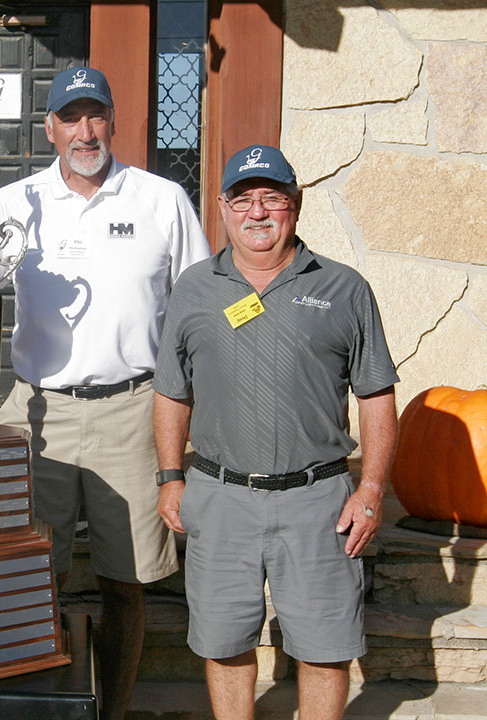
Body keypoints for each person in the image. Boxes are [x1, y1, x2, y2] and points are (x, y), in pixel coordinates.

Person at [0, 65, 210, 718]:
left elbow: (199, 310)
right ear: (50, 128)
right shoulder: (15, 203)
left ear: (113, 122)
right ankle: (39, 706)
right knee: (34, 576)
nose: (84, 130)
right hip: (39, 416)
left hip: (135, 410)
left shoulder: (161, 200)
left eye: (96, 115)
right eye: (71, 117)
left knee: (125, 584)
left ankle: (113, 711)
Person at [153, 144, 398, 719]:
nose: (257, 212)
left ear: (297, 205)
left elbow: (377, 397)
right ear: (221, 208)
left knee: (324, 649)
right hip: (220, 494)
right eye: (243, 199)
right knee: (225, 642)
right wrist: (169, 477)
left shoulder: (345, 289)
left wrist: (371, 491)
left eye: (272, 198)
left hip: (319, 500)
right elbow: (171, 392)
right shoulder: (194, 289)